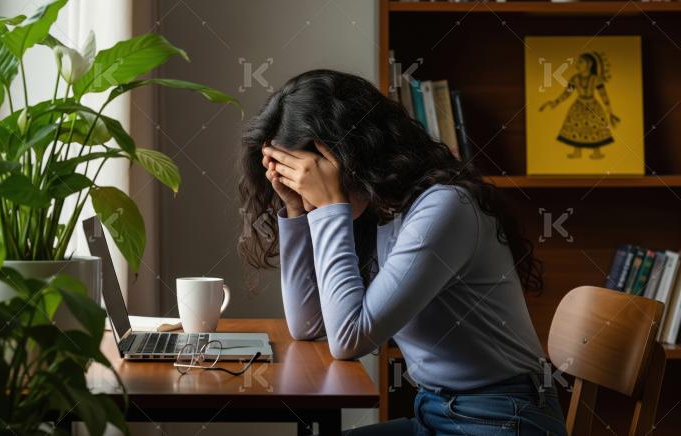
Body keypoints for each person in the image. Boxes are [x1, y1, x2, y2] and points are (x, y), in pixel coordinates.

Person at [237, 69, 568, 435]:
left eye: (312, 176)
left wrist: (331, 208)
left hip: (504, 420)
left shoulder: (445, 207)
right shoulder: (379, 212)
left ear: (354, 150)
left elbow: (349, 338)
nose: (311, 190)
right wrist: (299, 211)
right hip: (436, 414)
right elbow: (308, 325)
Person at [540, 51, 619, 160]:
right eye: (578, 62)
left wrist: (609, 110)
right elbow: (567, 93)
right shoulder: (574, 78)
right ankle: (577, 152)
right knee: (576, 129)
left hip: (593, 105)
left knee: (594, 128)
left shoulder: (595, 79)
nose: (577, 64)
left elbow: (603, 95)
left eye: (581, 62)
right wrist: (555, 102)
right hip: (578, 106)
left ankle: (597, 152)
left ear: (589, 64)